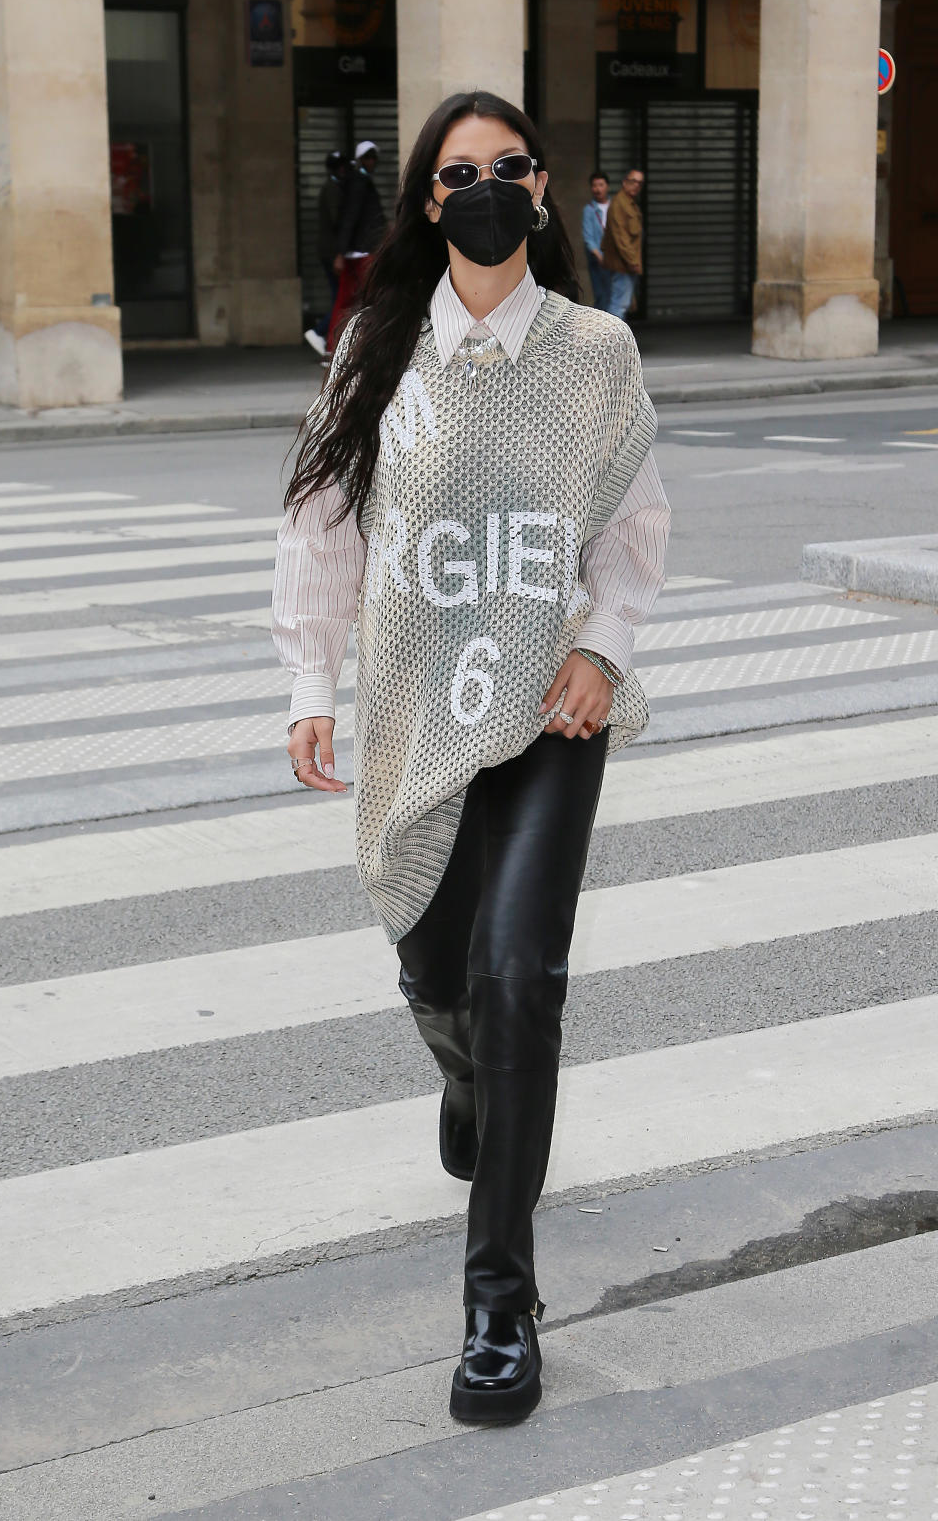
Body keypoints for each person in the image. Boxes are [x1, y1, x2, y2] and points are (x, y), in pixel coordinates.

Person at [273, 91, 670, 1426]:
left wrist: (603, 650)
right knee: (439, 966)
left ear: (543, 191)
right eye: (460, 171)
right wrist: (305, 683)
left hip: (551, 706)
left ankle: (501, 1305)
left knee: (521, 980)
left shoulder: (598, 350)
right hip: (417, 701)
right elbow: (322, 524)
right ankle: (465, 1075)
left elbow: (631, 526)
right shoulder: (380, 347)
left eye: (510, 167)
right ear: (429, 202)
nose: (486, 187)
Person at [326, 139, 387, 355]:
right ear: (360, 160)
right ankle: (352, 345)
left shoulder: (357, 182)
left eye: (374, 157)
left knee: (347, 299)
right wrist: (340, 253)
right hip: (362, 251)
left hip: (358, 250)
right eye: (368, 157)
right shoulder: (359, 183)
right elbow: (350, 218)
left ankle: (334, 346)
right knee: (372, 296)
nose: (372, 162)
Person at [305, 150, 349, 358]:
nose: (343, 170)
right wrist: (339, 254)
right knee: (340, 297)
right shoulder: (333, 190)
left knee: (339, 295)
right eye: (340, 166)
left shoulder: (334, 187)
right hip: (332, 252)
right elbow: (337, 221)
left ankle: (325, 334)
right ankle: (320, 332)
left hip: (331, 251)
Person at [601, 166, 644, 320]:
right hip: (623, 265)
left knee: (620, 303)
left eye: (640, 183)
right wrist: (633, 262)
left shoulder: (629, 203)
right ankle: (614, 342)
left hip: (625, 264)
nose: (636, 185)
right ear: (625, 182)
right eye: (633, 181)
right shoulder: (620, 204)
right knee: (619, 305)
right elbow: (621, 237)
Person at [581, 169, 614, 310]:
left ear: (607, 186)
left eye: (601, 185)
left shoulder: (614, 206)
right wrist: (599, 256)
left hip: (614, 259)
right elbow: (588, 237)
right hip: (598, 260)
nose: (597, 189)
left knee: (614, 296)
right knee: (602, 296)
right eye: (594, 186)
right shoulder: (589, 210)